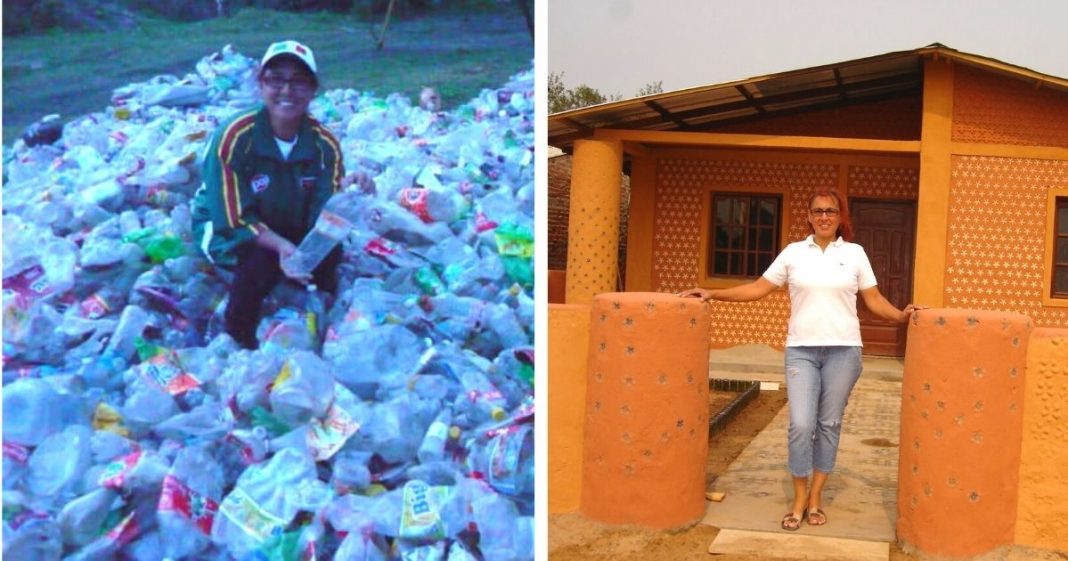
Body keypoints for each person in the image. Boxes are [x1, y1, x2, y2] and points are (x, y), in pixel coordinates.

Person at [679, 189, 926, 531]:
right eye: (817, 211)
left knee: (829, 424)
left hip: (844, 351)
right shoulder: (794, 253)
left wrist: (901, 316)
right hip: (802, 351)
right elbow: (758, 288)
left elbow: (874, 298)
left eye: (830, 211)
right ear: (809, 216)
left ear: (841, 218)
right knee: (801, 424)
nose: (824, 217)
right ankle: (798, 498)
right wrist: (712, 292)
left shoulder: (854, 254)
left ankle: (815, 499)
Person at [192, 40, 368, 349]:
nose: (287, 90)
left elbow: (326, 212)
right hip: (231, 228)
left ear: (313, 90)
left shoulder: (324, 144)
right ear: (261, 84)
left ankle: (308, 325)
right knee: (259, 262)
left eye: (299, 82)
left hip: (287, 222)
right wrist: (283, 248)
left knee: (329, 258)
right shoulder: (235, 136)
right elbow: (232, 217)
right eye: (276, 79)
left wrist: (352, 191)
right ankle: (239, 340)